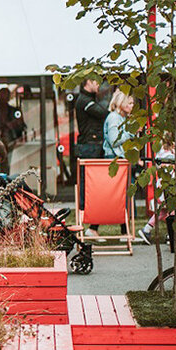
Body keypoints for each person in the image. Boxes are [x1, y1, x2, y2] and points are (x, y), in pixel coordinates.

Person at [74, 79, 109, 237]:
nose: (98, 85)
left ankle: (91, 226)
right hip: (90, 147)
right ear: (88, 82)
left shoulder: (88, 100)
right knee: (88, 186)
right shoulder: (85, 101)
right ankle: (85, 223)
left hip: (91, 146)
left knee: (94, 186)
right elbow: (103, 114)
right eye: (96, 81)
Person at [103, 91, 135, 159]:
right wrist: (131, 132)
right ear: (121, 103)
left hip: (122, 156)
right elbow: (114, 141)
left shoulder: (124, 117)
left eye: (132, 103)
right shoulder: (114, 117)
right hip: (114, 156)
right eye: (130, 103)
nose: (132, 105)